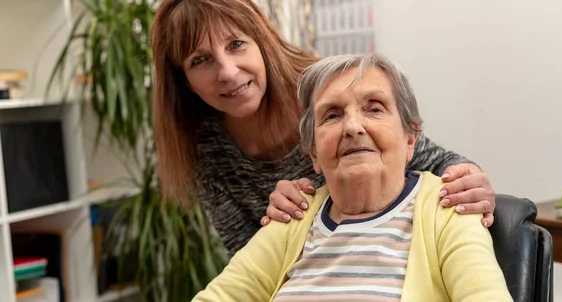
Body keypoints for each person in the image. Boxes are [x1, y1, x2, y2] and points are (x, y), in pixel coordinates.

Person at [151, 0, 496, 256]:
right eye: (200, 60)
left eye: (236, 44)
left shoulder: (324, 89)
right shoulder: (204, 148)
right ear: (184, 82)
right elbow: (250, 262)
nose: (227, 71)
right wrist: (278, 226)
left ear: (261, 42)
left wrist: (468, 179)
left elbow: (433, 159)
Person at [191, 53, 512, 302]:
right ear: (313, 152)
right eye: (332, 115)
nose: (353, 127)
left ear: (411, 137)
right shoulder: (292, 217)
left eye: (374, 109)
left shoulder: (447, 208)